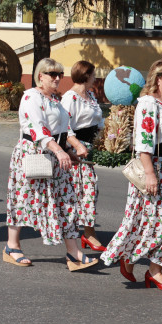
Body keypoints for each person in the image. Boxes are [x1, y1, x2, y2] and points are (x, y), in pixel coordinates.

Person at [101, 59, 162, 290]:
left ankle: (155, 271)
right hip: (155, 167)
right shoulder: (148, 104)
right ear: (158, 79)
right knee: (148, 221)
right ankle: (128, 257)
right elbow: (144, 143)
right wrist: (150, 174)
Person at [3, 58, 96, 271]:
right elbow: (38, 130)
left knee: (67, 201)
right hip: (34, 155)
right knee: (23, 200)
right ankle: (12, 246)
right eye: (52, 74)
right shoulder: (31, 97)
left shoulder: (54, 99)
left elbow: (65, 129)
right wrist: (60, 150)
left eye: (59, 75)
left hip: (55, 157)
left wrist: (71, 150)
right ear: (40, 76)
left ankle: (74, 254)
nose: (56, 78)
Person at [61, 60, 105, 251]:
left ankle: (84, 233)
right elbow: (64, 126)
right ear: (86, 75)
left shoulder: (91, 95)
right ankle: (87, 234)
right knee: (87, 189)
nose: (95, 78)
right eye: (93, 75)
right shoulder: (70, 97)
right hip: (77, 149)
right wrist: (77, 146)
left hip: (91, 146)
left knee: (86, 191)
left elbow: (98, 120)